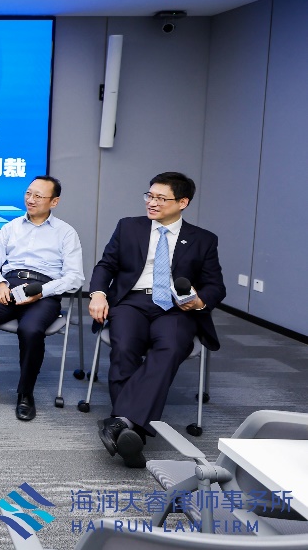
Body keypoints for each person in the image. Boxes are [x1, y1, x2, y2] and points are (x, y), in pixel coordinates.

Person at [89, 172, 226, 467]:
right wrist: (98, 294)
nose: (151, 203)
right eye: (149, 196)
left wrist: (199, 301)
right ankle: (133, 431)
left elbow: (216, 286)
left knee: (172, 347)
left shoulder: (203, 239)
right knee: (124, 346)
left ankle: (121, 423)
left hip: (176, 307)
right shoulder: (129, 227)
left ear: (182, 202)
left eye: (161, 198)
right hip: (132, 300)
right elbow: (106, 265)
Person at [0, 176, 84, 421]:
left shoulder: (66, 233)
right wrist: (0, 283)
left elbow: (75, 277)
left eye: (38, 196)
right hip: (10, 284)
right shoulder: (11, 227)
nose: (31, 199)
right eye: (29, 193)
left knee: (30, 330)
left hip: (45, 290)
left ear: (54, 201)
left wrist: (42, 291)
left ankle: (25, 393)